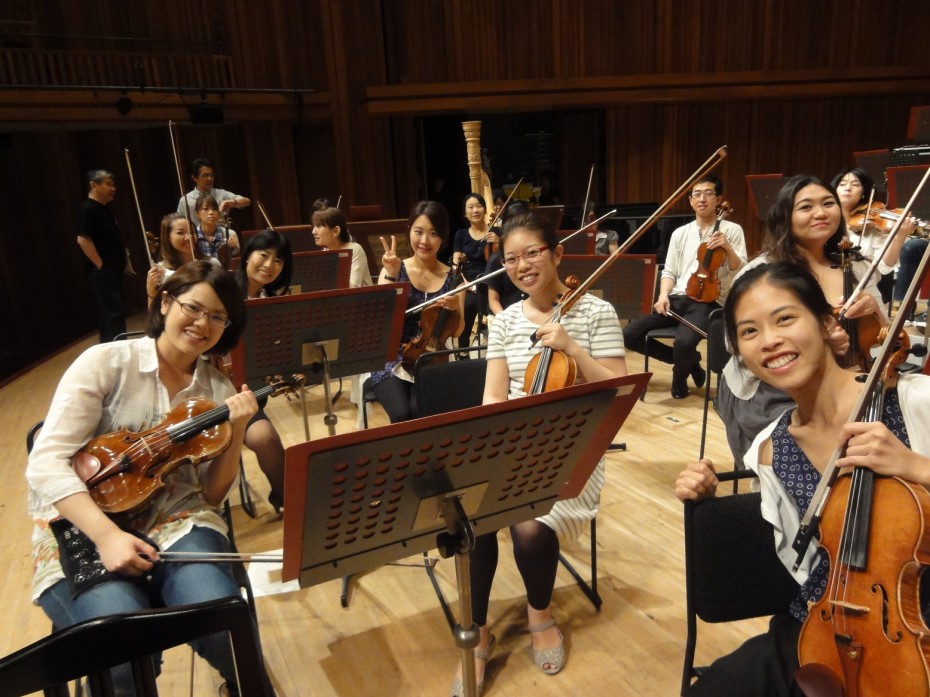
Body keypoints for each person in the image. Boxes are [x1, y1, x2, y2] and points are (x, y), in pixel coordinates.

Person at [675, 261, 930, 696]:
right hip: (830, 620)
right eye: (749, 332)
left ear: (828, 322)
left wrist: (918, 468)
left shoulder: (912, 402)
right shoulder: (769, 451)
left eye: (785, 319)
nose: (771, 341)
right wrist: (706, 498)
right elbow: (807, 565)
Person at [27, 260, 261, 697]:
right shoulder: (106, 363)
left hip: (174, 515)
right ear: (166, 302)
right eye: (193, 308)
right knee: (124, 651)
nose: (202, 324)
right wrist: (105, 536)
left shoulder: (217, 391)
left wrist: (238, 432)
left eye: (217, 317)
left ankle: (254, 687)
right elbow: (44, 464)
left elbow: (209, 494)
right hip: (80, 520)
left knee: (221, 620)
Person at [451, 210, 627, 697]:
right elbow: (493, 398)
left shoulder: (596, 313)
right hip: (514, 449)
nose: (523, 265)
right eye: (511, 259)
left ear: (557, 254)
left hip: (575, 453)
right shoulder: (504, 322)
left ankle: (539, 615)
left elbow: (618, 391)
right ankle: (479, 629)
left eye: (533, 253)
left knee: (529, 529)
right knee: (471, 519)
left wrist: (571, 344)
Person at [717, 175, 888, 465]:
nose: (820, 213)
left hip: (841, 381)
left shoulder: (856, 265)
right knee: (803, 459)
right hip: (771, 386)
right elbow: (733, 342)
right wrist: (819, 344)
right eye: (806, 206)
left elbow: (886, 330)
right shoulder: (763, 271)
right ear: (786, 216)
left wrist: (874, 308)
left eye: (828, 203)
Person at [622, 175, 747, 399]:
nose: (702, 199)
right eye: (697, 194)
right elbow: (669, 270)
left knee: (684, 341)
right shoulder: (680, 233)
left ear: (718, 199)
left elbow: (740, 269)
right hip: (678, 298)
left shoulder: (732, 230)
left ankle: (679, 380)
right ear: (690, 201)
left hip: (708, 301)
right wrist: (662, 295)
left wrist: (728, 248)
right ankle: (690, 363)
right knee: (629, 334)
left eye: (708, 193)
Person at [369, 201, 464, 423]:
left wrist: (456, 307)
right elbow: (381, 322)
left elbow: (458, 332)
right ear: (409, 231)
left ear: (443, 237)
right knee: (402, 413)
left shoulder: (454, 278)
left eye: (433, 233)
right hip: (392, 359)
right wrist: (392, 276)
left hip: (432, 357)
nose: (424, 241)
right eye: (418, 232)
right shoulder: (394, 269)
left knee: (422, 409)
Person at [233, 229, 293, 512]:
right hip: (216, 393)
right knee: (264, 436)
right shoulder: (223, 293)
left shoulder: (270, 301)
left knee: (266, 437)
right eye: (263, 255)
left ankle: (287, 500)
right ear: (247, 256)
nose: (269, 265)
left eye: (278, 261)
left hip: (250, 395)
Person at [832, 166, 912, 304]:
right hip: (831, 294)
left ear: (864, 192)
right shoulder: (826, 225)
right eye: (842, 184)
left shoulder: (873, 226)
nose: (848, 188)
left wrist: (899, 237)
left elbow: (884, 268)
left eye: (855, 184)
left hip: (867, 297)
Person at [76, 169, 129, 342]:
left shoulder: (105, 209)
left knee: (113, 313)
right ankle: (117, 350)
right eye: (108, 184)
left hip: (113, 268)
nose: (113, 188)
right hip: (103, 271)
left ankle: (113, 348)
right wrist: (101, 266)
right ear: (94, 185)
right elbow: (83, 239)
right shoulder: (87, 209)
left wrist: (126, 261)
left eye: (113, 184)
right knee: (112, 314)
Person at [452, 193, 499, 351]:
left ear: (485, 209)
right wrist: (464, 282)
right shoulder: (461, 234)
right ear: (465, 213)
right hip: (469, 283)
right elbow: (455, 263)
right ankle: (463, 350)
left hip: (492, 282)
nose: (475, 210)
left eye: (479, 205)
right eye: (470, 207)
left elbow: (507, 259)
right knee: (467, 305)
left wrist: (499, 241)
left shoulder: (497, 232)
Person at [145, 213, 202, 304]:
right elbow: (154, 315)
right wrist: (151, 293)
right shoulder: (161, 273)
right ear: (168, 238)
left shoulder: (211, 263)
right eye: (180, 233)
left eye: (192, 232)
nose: (188, 237)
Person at [311, 206, 373, 288]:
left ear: (336, 231)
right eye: (314, 226)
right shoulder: (324, 253)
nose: (313, 231)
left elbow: (353, 286)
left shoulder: (354, 249)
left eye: (319, 226)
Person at [483, 201, 527, 315]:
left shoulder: (534, 256)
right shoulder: (496, 259)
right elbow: (493, 301)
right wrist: (505, 320)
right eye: (512, 225)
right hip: (505, 315)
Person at [177, 157, 250, 216]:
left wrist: (232, 202)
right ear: (194, 178)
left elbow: (247, 201)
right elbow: (179, 222)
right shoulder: (185, 200)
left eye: (211, 175)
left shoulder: (221, 194)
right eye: (205, 175)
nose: (210, 178)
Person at [194, 194, 240, 263]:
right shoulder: (193, 235)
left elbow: (236, 261)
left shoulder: (230, 234)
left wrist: (232, 248)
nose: (211, 212)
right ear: (197, 214)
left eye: (214, 209)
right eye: (206, 209)